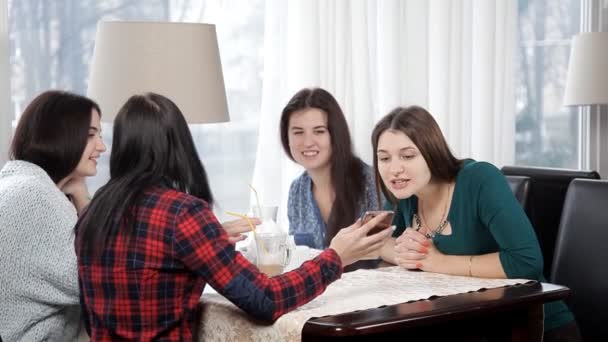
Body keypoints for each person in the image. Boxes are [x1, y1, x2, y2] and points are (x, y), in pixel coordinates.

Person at [74, 93, 392, 340]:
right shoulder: (182, 213)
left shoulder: (97, 209)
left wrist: (202, 241)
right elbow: (265, 299)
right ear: (179, 145)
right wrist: (335, 257)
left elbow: (93, 313)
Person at [372, 105, 581, 341]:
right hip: (462, 324)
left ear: (432, 151)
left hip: (531, 327)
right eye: (384, 158)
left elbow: (526, 261)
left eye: (408, 156)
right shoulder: (407, 190)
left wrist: (437, 261)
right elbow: (379, 241)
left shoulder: (480, 179)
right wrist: (403, 253)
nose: (394, 169)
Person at [0, 90, 106, 341]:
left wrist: (79, 191)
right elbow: (99, 277)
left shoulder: (17, 184)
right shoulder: (35, 197)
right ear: (61, 136)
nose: (102, 146)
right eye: (91, 135)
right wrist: (82, 198)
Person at [280, 88, 380, 249]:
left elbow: (389, 249)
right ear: (287, 138)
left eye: (319, 131)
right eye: (298, 132)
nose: (307, 142)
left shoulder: (371, 182)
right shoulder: (296, 191)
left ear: (336, 134)